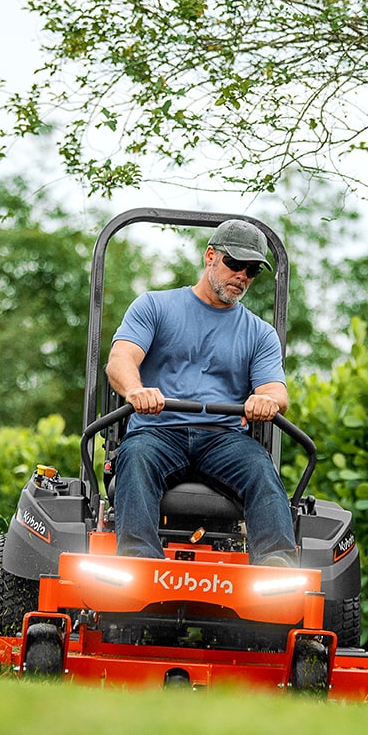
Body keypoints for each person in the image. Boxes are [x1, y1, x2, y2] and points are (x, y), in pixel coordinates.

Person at [104, 218, 298, 566]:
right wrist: (136, 391)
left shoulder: (260, 333)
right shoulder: (155, 307)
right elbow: (120, 360)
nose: (242, 276)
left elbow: (276, 393)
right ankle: (139, 563)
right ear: (210, 256)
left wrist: (264, 401)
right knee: (135, 459)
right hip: (158, 431)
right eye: (235, 264)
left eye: (252, 270)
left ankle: (275, 566)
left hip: (223, 438)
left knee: (260, 468)